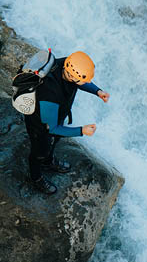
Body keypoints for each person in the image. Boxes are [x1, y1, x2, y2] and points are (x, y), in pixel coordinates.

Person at [24, 51, 110, 195]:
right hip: (40, 124)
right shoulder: (49, 92)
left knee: (54, 141)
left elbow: (81, 81)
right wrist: (81, 131)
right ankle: (36, 177)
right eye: (81, 81)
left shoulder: (66, 64)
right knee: (39, 150)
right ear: (70, 75)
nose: (84, 83)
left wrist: (97, 91)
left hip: (57, 114)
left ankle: (48, 161)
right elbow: (52, 129)